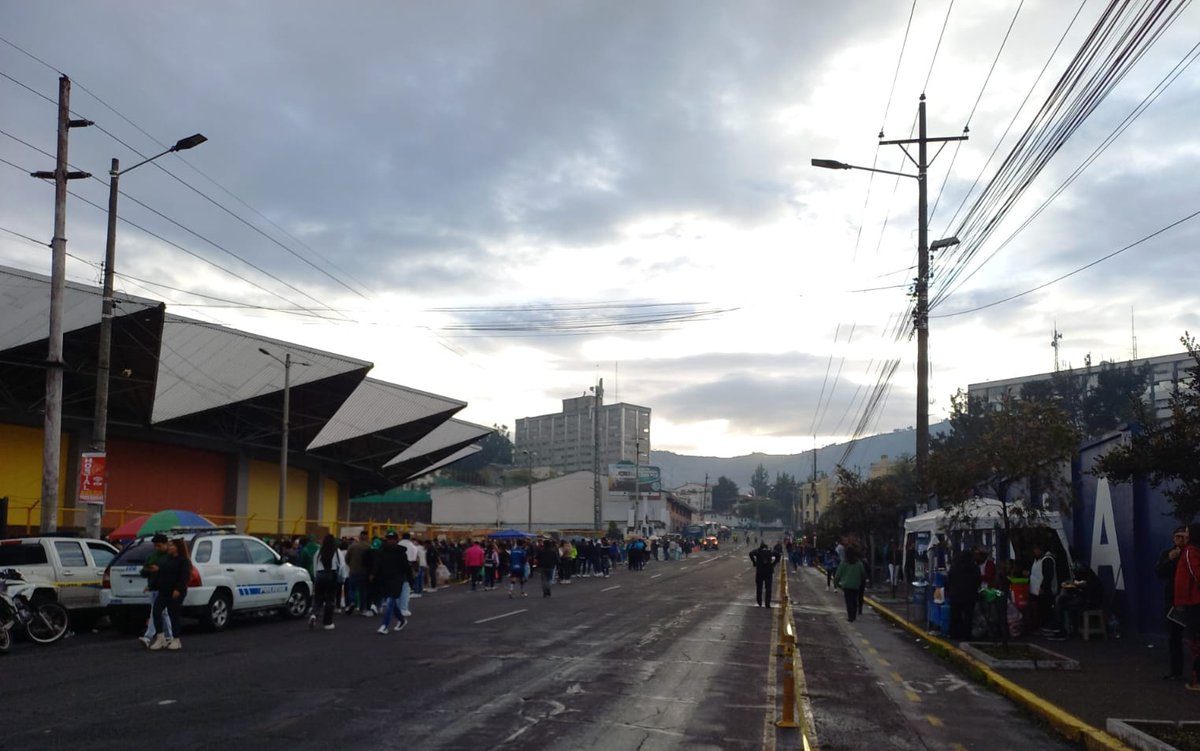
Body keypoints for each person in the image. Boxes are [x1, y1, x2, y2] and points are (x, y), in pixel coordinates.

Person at [1158, 527, 1189, 679]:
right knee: (1174, 636)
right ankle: (1176, 671)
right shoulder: (1168, 554)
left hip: (1191, 599)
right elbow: (1159, 572)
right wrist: (1169, 560)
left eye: (1183, 537)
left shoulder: (1191, 553)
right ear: (1173, 538)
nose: (1180, 540)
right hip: (1173, 600)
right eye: (1177, 536)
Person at [149, 538, 191, 651]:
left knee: (174, 614)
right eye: (169, 545)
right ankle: (160, 638)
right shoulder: (166, 559)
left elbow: (185, 576)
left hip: (175, 592)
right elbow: (161, 573)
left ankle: (176, 639)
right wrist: (152, 585)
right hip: (164, 591)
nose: (169, 547)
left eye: (172, 545)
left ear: (178, 547)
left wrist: (178, 589)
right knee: (156, 612)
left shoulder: (183, 561)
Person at [1174, 523, 1200, 691]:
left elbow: (1195, 573)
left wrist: (1180, 601)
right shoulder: (1191, 551)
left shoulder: (1190, 552)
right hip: (1193, 601)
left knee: (1195, 642)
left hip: (1193, 603)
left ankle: (1197, 681)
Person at [371, 531, 411, 634]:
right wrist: (373, 574)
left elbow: (407, 568)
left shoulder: (401, 553)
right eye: (389, 539)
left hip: (397, 580)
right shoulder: (382, 551)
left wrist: (411, 581)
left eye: (392, 539)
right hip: (385, 579)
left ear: (397, 540)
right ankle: (401, 620)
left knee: (390, 601)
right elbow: (377, 564)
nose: (390, 541)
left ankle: (384, 625)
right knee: (391, 603)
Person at [138, 534, 174, 648]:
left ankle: (148, 637)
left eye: (159, 546)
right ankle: (169, 637)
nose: (157, 548)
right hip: (153, 588)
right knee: (162, 613)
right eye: (155, 546)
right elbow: (143, 572)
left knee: (155, 612)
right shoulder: (152, 556)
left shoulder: (169, 557)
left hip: (164, 589)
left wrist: (159, 569)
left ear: (165, 544)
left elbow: (171, 571)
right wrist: (147, 570)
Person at [310, 534, 346, 631]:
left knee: (318, 598)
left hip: (320, 574)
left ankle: (314, 615)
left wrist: (316, 576)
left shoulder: (319, 551)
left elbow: (314, 564)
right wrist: (342, 577)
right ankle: (327, 623)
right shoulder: (336, 551)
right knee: (330, 600)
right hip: (331, 574)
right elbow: (342, 565)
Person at [947, 549, 982, 640]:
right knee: (968, 617)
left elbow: (949, 579)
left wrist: (950, 591)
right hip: (970, 596)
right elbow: (978, 581)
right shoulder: (974, 568)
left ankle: (954, 634)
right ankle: (967, 635)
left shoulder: (954, 567)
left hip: (955, 595)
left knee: (955, 616)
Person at [1029, 544, 1059, 630]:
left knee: (1046, 609)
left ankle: (1048, 626)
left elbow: (1048, 576)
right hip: (1036, 590)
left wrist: (1043, 587)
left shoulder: (1047, 560)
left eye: (1036, 549)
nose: (1035, 552)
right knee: (1041, 609)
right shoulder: (1038, 560)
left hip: (1046, 590)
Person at [834, 546, 867, 622]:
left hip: (846, 584)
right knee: (854, 600)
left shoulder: (844, 563)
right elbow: (863, 573)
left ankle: (850, 616)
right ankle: (854, 614)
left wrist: (836, 583)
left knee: (848, 601)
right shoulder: (858, 563)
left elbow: (838, 574)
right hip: (856, 584)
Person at [345, 530, 372, 615]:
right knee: (363, 591)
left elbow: (347, 558)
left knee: (352, 589)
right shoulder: (369, 547)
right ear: (367, 537)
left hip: (353, 571)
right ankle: (362, 608)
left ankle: (352, 602)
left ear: (360, 537)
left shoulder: (353, 546)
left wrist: (351, 565)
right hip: (364, 572)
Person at [749, 543, 781, 608]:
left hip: (760, 571)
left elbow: (750, 553)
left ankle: (759, 602)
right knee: (768, 589)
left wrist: (754, 562)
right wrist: (773, 564)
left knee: (759, 588)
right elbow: (778, 555)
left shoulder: (757, 551)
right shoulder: (770, 551)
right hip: (768, 571)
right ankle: (767, 603)